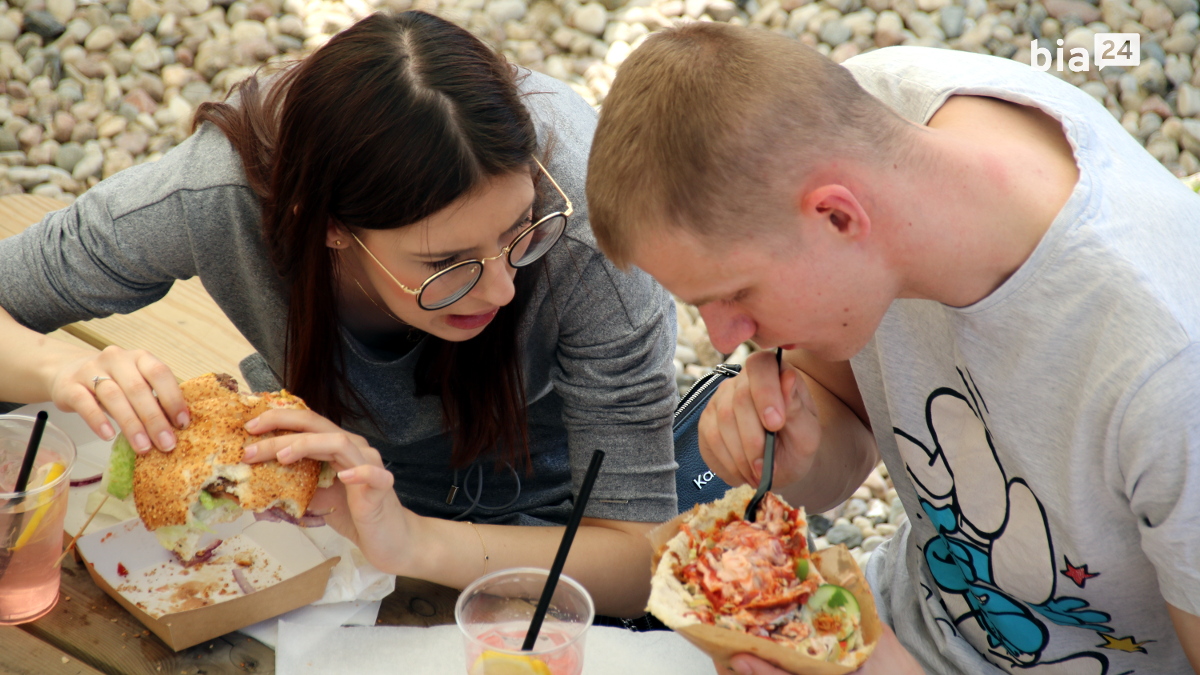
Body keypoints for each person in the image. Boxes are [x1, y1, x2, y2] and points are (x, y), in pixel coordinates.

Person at [0, 10, 680, 619]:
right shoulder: (221, 191)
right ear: (325, 225)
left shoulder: (590, 233)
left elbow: (640, 559)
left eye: (519, 231)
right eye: (446, 263)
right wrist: (64, 366)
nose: (501, 288)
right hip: (309, 497)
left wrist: (411, 539)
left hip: (546, 525)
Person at [586, 21, 1200, 674]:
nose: (724, 339)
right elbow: (845, 418)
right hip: (895, 620)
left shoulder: (1164, 368)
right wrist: (800, 442)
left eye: (736, 294)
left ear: (837, 215)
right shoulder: (862, 117)